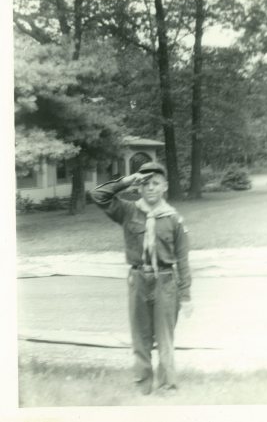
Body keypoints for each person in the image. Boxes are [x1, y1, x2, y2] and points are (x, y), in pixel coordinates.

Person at [91, 161, 192, 395]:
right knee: (140, 337)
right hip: (138, 279)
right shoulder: (128, 211)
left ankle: (168, 387)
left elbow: (183, 259)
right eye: (145, 183)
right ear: (139, 187)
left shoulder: (174, 219)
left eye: (156, 183)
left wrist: (185, 295)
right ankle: (143, 387)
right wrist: (126, 181)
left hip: (166, 281)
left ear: (165, 186)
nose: (151, 188)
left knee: (165, 338)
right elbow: (98, 195)